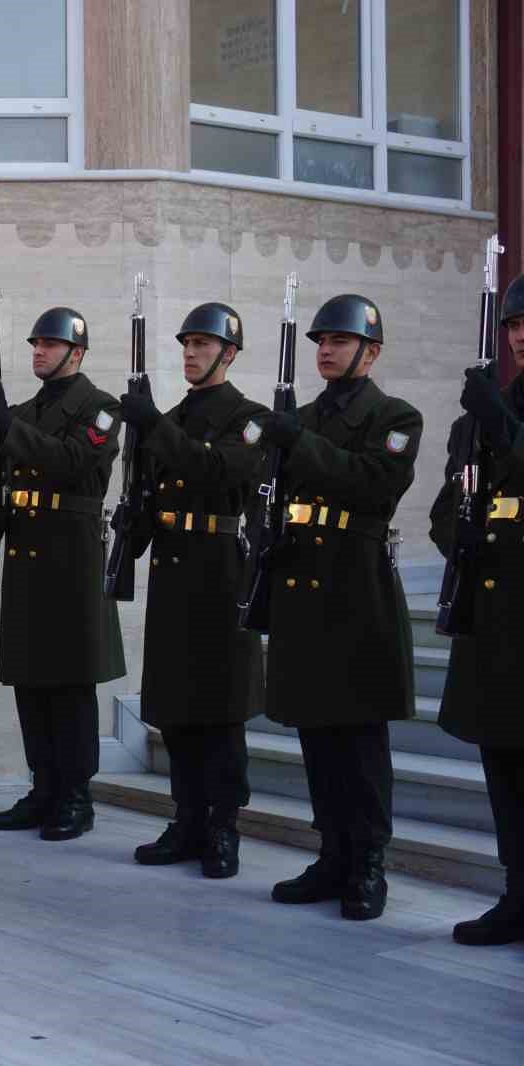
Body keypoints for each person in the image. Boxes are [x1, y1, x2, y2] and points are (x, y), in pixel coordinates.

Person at [264, 294, 420, 922]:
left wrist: (296, 442)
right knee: (316, 733)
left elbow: (374, 484)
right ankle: (331, 854)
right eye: (321, 341)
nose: (325, 350)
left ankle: (368, 862)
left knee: (359, 738)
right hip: (303, 586)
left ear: (370, 351)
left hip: (357, 591)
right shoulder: (300, 417)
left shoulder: (396, 416)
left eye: (339, 340)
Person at [115, 303, 266, 877]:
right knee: (177, 708)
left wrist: (153, 426)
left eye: (203, 344)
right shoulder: (172, 416)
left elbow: (218, 471)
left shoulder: (249, 419)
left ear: (229, 353)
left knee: (220, 710)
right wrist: (131, 531)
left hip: (221, 572)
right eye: (186, 344)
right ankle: (187, 820)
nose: (191, 352)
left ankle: (223, 827)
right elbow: (153, 492)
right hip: (173, 570)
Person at [0, 308, 125, 841]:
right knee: (30, 681)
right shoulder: (22, 411)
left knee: (70, 683)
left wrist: (7, 428)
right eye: (35, 343)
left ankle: (75, 796)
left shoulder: (102, 408)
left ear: (76, 353)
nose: (39, 351)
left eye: (50, 344)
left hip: (71, 557)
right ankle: (43, 788)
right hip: (27, 554)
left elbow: (73, 463)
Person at [429, 273, 524, 945]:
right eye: (514, 325)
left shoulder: (496, 415)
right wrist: (457, 535)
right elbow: (446, 509)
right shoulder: (481, 417)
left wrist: (501, 424)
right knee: (505, 769)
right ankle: (517, 893)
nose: (520, 335)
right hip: (494, 619)